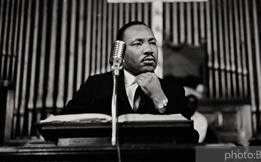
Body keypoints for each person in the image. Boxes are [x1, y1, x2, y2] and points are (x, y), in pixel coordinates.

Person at [59, 21, 192, 120]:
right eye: (138, 44)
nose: (149, 50)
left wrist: (160, 99)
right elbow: (61, 124)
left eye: (152, 43)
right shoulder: (96, 85)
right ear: (121, 52)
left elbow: (191, 138)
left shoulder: (173, 90)